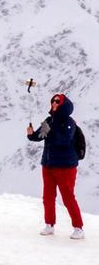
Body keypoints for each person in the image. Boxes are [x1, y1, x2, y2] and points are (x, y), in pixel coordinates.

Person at [27, 92, 84, 239]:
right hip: (48, 164)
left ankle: (79, 228)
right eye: (53, 101)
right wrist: (31, 134)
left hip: (65, 167)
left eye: (58, 102)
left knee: (68, 197)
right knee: (48, 196)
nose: (54, 103)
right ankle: (49, 224)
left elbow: (64, 140)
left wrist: (50, 131)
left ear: (64, 105)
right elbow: (40, 136)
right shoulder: (49, 120)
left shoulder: (69, 122)